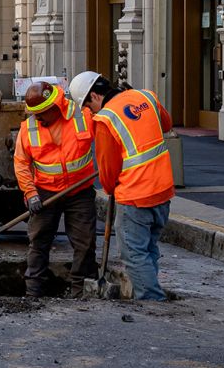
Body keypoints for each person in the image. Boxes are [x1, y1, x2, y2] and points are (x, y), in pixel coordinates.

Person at [69, 71, 176, 301]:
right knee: (148, 248)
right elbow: (166, 124)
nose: (90, 112)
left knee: (134, 253)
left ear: (95, 96)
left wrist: (110, 190)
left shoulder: (106, 119)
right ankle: (150, 293)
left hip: (135, 195)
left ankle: (152, 301)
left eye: (88, 107)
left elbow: (108, 170)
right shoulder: (146, 96)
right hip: (163, 190)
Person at [13, 81, 98, 297]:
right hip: (45, 191)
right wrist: (31, 194)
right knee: (39, 241)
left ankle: (80, 291)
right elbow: (22, 164)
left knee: (85, 243)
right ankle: (33, 291)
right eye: (34, 113)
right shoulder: (29, 128)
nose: (36, 118)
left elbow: (109, 133)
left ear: (55, 107)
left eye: (41, 113)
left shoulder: (83, 116)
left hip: (80, 191)